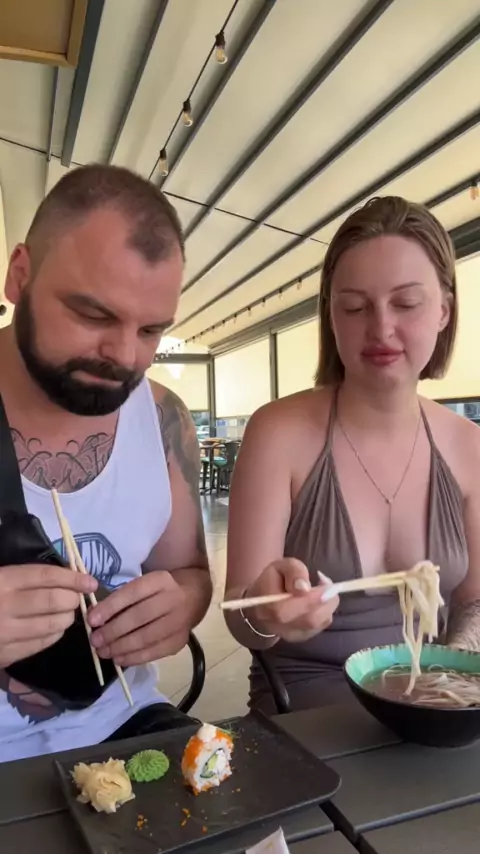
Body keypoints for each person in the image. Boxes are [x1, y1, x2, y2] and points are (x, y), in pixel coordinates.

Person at [224, 196, 480, 715]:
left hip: (433, 704)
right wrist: (268, 612)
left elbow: (474, 602)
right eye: (355, 307)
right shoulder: (277, 432)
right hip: (307, 710)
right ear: (331, 316)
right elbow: (240, 615)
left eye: (406, 304)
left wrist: (449, 675)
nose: (381, 328)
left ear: (444, 311)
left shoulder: (468, 445)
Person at [0, 164, 212, 761]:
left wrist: (180, 606)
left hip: (125, 724)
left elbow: (190, 573)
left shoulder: (164, 418)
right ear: (20, 276)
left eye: (151, 330)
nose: (123, 355)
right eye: (94, 315)